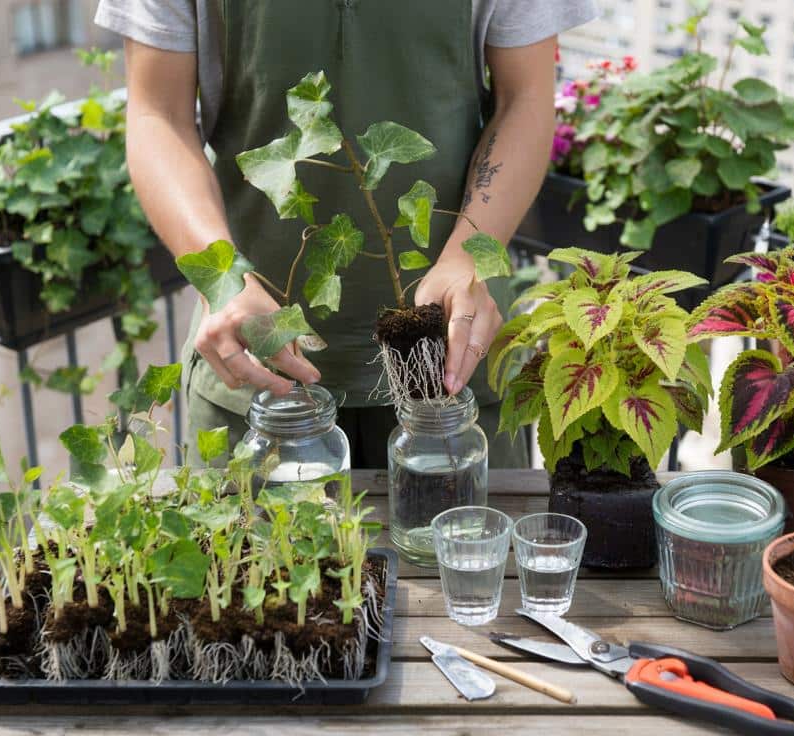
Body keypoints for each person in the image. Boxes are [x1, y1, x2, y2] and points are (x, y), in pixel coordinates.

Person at [95, 0, 598, 467]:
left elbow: (526, 97)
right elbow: (157, 113)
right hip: (253, 372)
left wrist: (468, 256)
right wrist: (221, 275)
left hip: (454, 363)